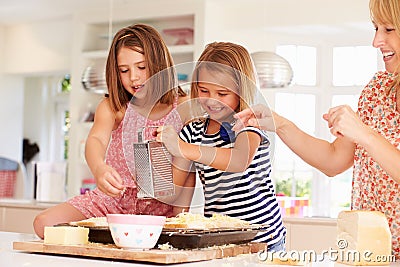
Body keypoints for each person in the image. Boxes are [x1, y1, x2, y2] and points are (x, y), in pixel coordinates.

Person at [234, 0, 400, 259]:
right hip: (370, 254)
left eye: (388, 29)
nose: (376, 41)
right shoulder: (376, 91)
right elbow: (334, 161)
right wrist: (279, 123)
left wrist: (364, 134)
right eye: (375, 28)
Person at [33, 24, 194, 239]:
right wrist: (99, 168)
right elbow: (96, 140)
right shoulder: (113, 107)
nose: (134, 78)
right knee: (43, 224)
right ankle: (116, 237)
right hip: (113, 200)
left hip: (161, 206)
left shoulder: (184, 106)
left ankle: (118, 238)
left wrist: (180, 217)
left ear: (159, 64)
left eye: (142, 67)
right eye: (124, 70)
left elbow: (191, 164)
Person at [156, 42, 286, 252]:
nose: (211, 100)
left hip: (264, 239)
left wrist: (181, 147)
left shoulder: (250, 123)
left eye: (222, 93)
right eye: (204, 90)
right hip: (219, 241)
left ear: (242, 91)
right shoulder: (192, 132)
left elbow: (238, 161)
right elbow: (176, 191)